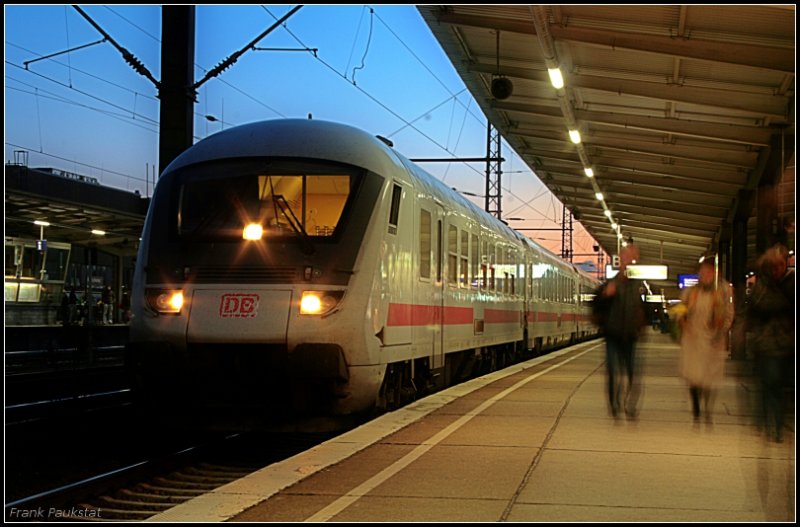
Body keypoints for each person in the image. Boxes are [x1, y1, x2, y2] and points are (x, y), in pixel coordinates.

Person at [592, 244, 649, 419]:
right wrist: (605, 296)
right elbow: (595, 305)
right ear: (620, 260)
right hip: (613, 334)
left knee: (632, 373)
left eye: (632, 258)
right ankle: (614, 404)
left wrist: (642, 326)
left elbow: (648, 310)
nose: (629, 262)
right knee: (613, 371)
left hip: (631, 335)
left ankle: (630, 405)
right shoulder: (610, 285)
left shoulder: (639, 286)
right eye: (626, 258)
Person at [675, 256, 734, 423]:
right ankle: (696, 410)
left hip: (713, 341)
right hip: (693, 340)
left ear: (716, 273)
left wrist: (722, 331)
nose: (705, 275)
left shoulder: (724, 291)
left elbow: (729, 314)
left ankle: (707, 409)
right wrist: (682, 320)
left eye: (709, 271)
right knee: (694, 376)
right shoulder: (690, 292)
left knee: (709, 377)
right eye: (703, 272)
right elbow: (680, 309)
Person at [746, 244, 794, 442]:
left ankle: (774, 422)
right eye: (774, 265)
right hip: (767, 344)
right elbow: (758, 308)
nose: (778, 269)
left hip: (787, 344)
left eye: (781, 265)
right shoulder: (763, 286)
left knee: (778, 385)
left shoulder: (790, 284)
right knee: (771, 382)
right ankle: (772, 424)